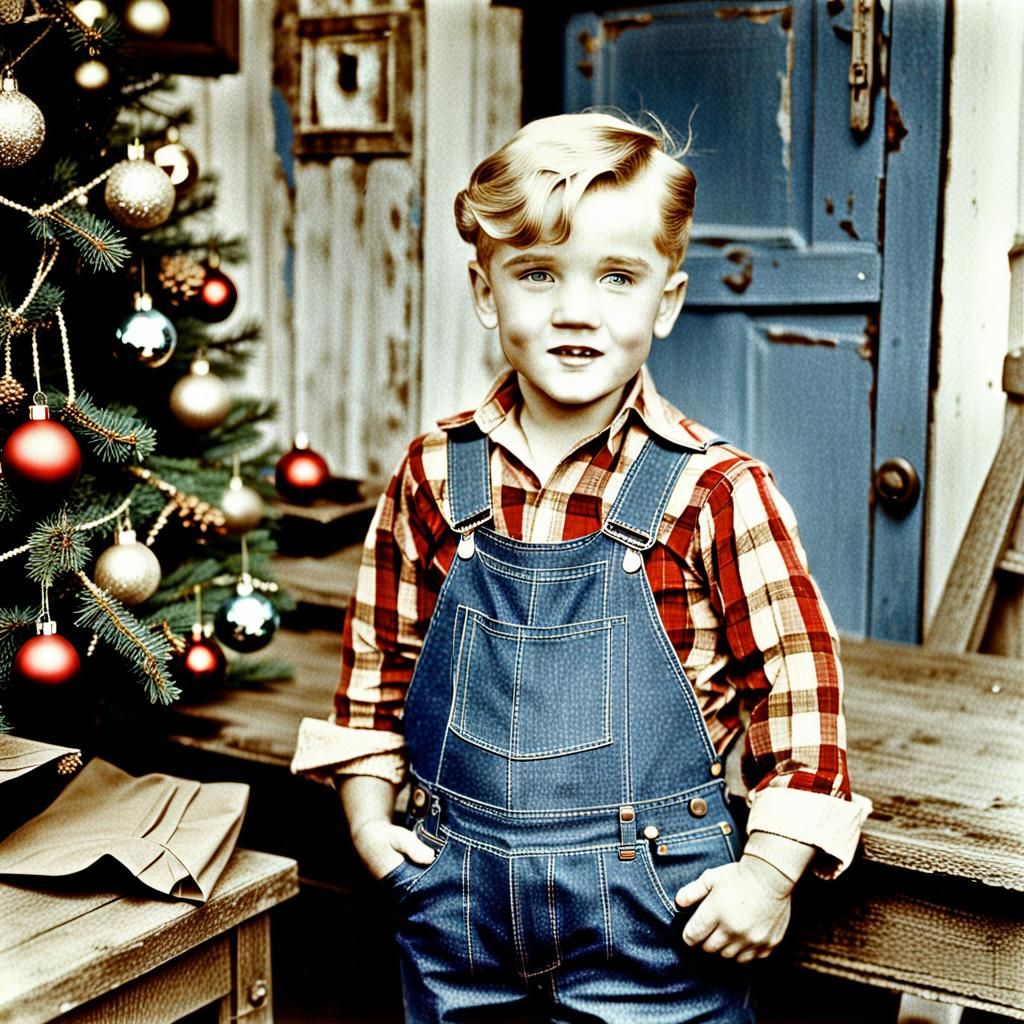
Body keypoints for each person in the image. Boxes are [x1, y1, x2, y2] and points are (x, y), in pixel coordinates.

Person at [292, 111, 870, 1023]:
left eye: (616, 277)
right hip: (455, 896)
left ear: (667, 301)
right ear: (486, 293)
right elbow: (379, 668)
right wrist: (369, 821)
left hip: (655, 909)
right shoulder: (434, 475)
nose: (575, 309)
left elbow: (799, 695)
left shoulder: (713, 490)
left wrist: (768, 872)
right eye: (536, 274)